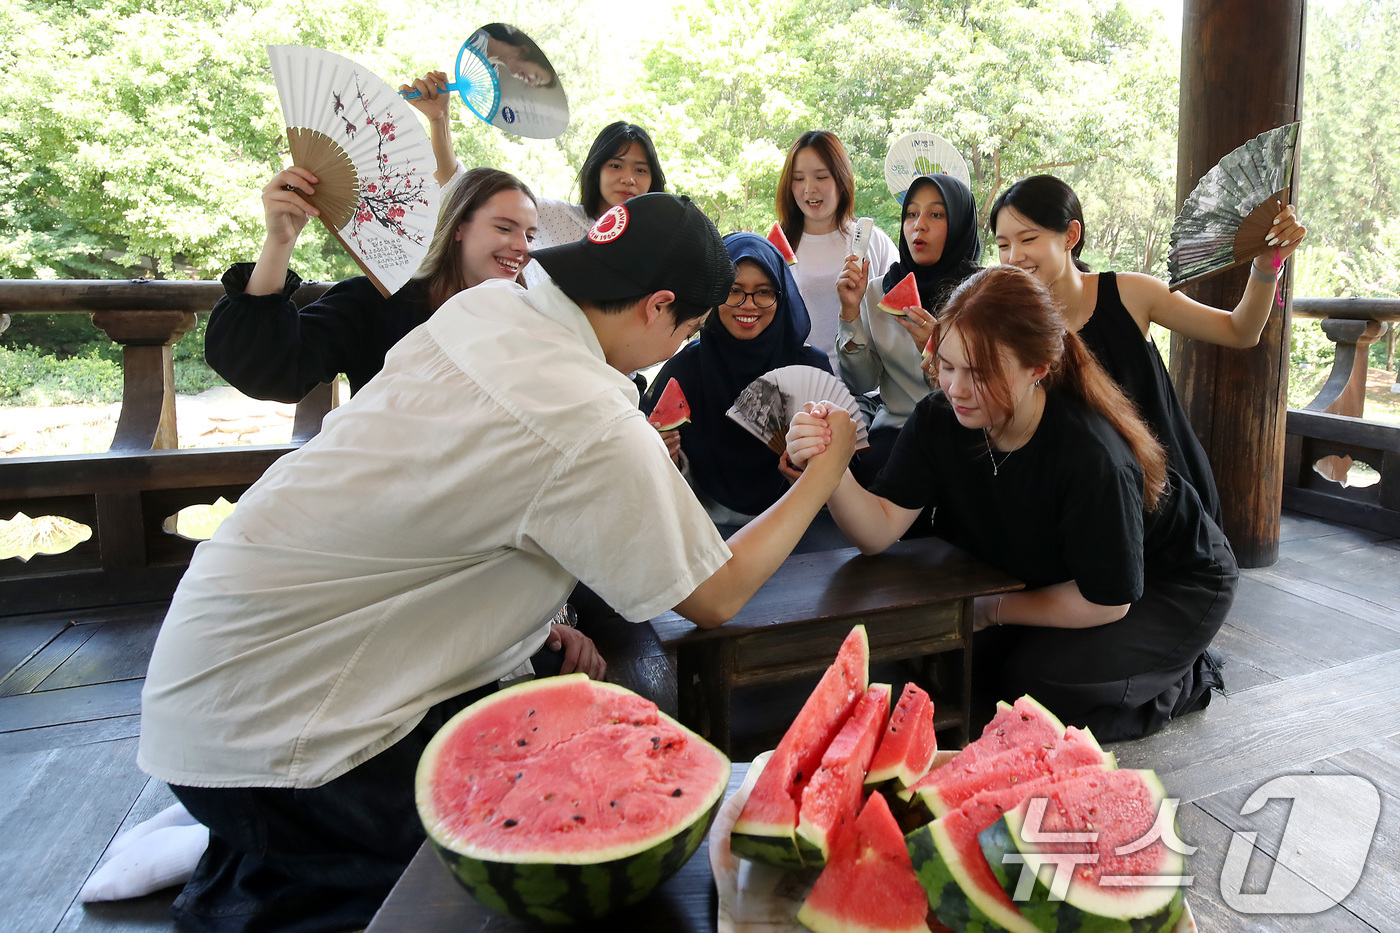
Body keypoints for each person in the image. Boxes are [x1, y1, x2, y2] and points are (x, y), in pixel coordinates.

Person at [139, 193, 857, 933]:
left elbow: (445, 504)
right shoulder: (588, 416)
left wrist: (528, 623)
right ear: (658, 307)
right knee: (470, 893)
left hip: (209, 664)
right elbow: (716, 593)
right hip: (283, 735)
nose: (681, 345)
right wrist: (822, 476)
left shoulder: (484, 311)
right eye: (689, 328)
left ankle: (250, 862)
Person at [786, 266, 1237, 741]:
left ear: (1037, 368)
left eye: (979, 374)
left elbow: (1107, 601)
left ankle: (1186, 676)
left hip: (1169, 580)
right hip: (1057, 574)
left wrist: (994, 609)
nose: (955, 389)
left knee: (1038, 686)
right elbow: (878, 530)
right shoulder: (939, 420)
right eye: (947, 365)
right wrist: (830, 469)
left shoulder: (1093, 456)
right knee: (964, 672)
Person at [990, 174, 1308, 525]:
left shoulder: (1132, 294)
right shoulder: (1008, 323)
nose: (1013, 257)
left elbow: (1241, 331)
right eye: (1003, 245)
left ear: (1070, 235)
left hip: (1166, 497)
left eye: (1028, 239)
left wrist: (1265, 265)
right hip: (1082, 503)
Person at [205, 165, 536, 403]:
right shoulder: (375, 301)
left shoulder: (533, 324)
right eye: (504, 228)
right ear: (458, 227)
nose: (522, 246)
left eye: (530, 235)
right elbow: (270, 370)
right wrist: (280, 242)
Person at [641, 232, 843, 547]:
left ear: (782, 295)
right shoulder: (684, 369)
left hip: (803, 519)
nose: (748, 304)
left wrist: (814, 471)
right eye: (733, 291)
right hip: (703, 527)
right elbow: (649, 476)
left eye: (763, 292)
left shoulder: (810, 368)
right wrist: (667, 457)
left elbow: (842, 466)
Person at [404, 73, 666, 289]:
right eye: (616, 166)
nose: (628, 179)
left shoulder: (656, 250)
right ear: (595, 171)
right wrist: (439, 119)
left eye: (641, 170)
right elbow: (460, 190)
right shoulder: (551, 215)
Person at [835, 173, 982, 480]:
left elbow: (991, 387)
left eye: (936, 215)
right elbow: (861, 383)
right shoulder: (876, 291)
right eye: (912, 214)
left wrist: (939, 351)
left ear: (960, 225)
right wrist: (850, 313)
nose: (919, 225)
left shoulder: (985, 295)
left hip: (967, 433)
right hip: (896, 433)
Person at [776, 130, 897, 360]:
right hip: (797, 377)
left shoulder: (874, 241)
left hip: (864, 379)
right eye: (799, 179)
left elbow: (898, 320)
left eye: (821, 177)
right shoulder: (777, 248)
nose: (809, 188)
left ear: (841, 179)